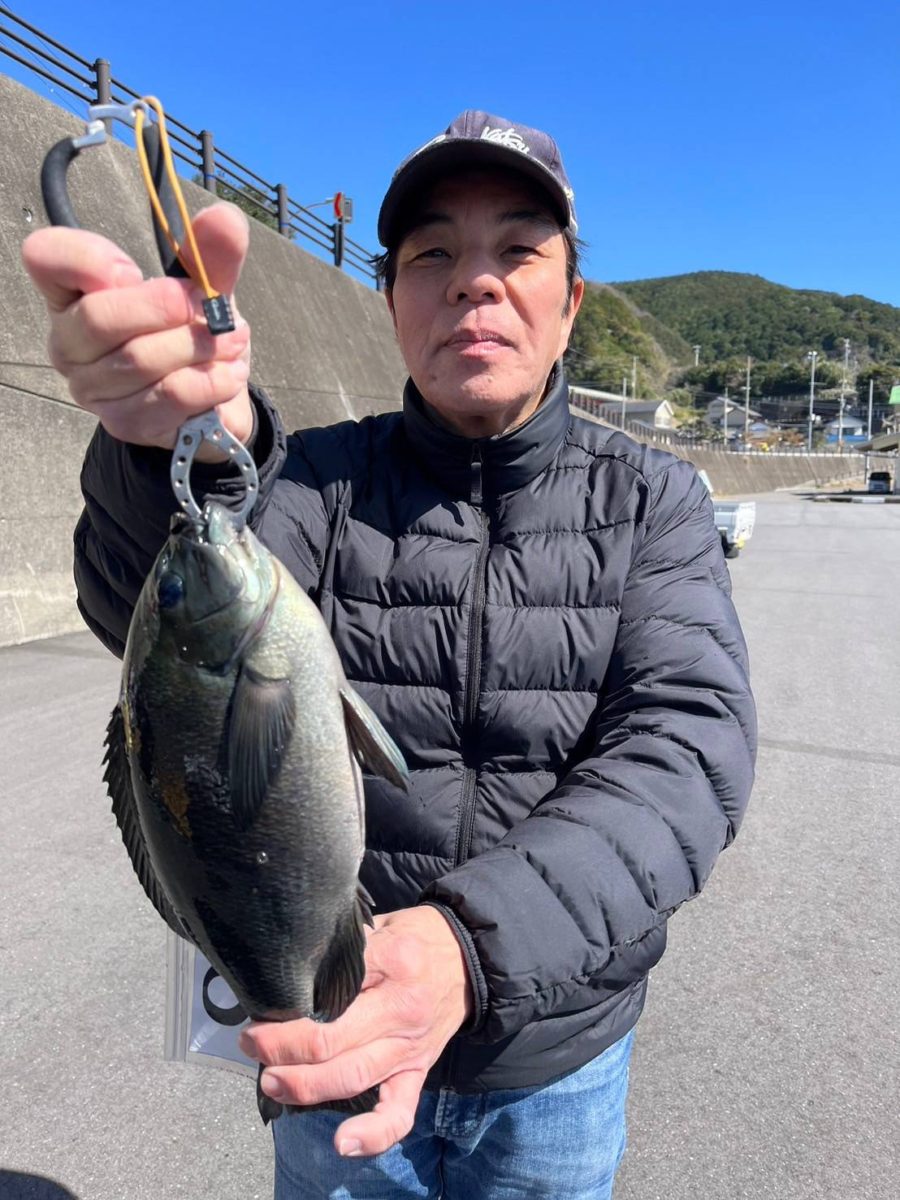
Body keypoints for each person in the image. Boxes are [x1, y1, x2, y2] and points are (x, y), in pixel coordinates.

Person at [22, 110, 756, 1199]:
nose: (474, 282)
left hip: (556, 1053)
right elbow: (158, 625)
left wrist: (471, 949)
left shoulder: (656, 501)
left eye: (518, 250)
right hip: (337, 1043)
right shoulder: (312, 483)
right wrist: (163, 450)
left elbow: (685, 752)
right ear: (390, 301)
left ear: (572, 303)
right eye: (431, 255)